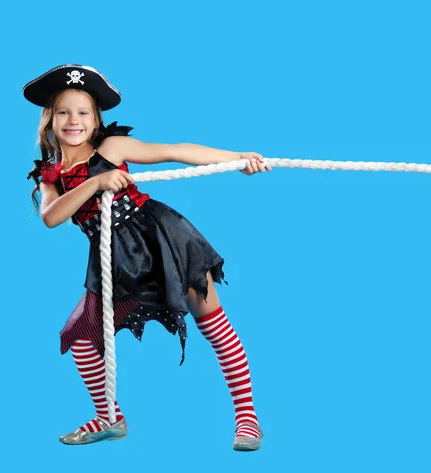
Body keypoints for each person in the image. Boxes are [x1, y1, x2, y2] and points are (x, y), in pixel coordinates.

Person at [24, 64, 270, 451]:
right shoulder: (51, 175)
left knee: (212, 321)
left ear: (96, 118)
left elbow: (175, 151)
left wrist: (236, 158)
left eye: (83, 112)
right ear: (49, 119)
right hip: (114, 261)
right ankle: (109, 417)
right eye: (64, 112)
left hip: (161, 240)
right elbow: (51, 217)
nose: (74, 120)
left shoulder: (112, 149)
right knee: (82, 337)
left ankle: (247, 417)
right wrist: (95, 183)